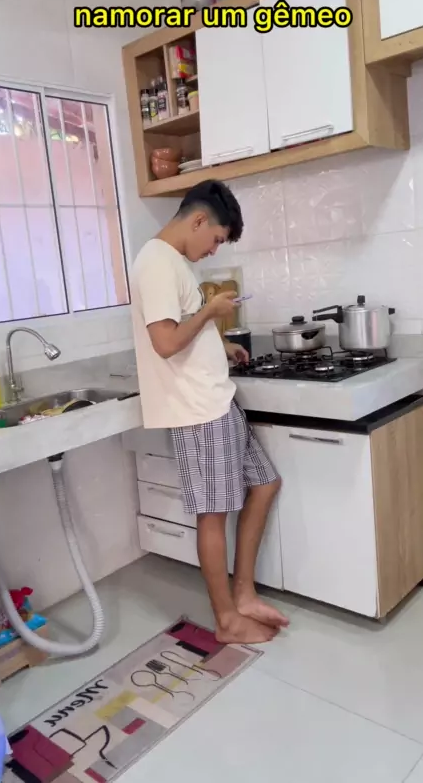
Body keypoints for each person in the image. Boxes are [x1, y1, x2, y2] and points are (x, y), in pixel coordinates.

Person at [130, 180, 288, 644]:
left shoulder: (175, 262)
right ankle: (226, 619)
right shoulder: (157, 262)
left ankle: (244, 594)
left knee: (265, 482)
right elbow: (164, 342)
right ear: (198, 220)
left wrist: (220, 344)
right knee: (213, 514)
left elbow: (181, 328)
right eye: (216, 239)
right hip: (197, 411)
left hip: (216, 401)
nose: (214, 250)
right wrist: (212, 313)